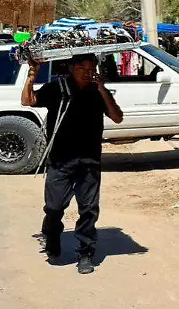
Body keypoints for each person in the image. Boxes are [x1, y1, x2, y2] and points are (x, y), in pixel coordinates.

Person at [21, 54, 123, 274]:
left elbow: (117, 117)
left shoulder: (98, 92)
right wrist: (31, 76)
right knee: (54, 207)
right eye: (81, 67)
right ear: (70, 68)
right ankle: (52, 235)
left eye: (91, 67)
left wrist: (104, 90)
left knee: (88, 209)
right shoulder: (57, 88)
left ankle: (85, 252)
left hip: (89, 160)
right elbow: (27, 101)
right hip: (60, 160)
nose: (87, 72)